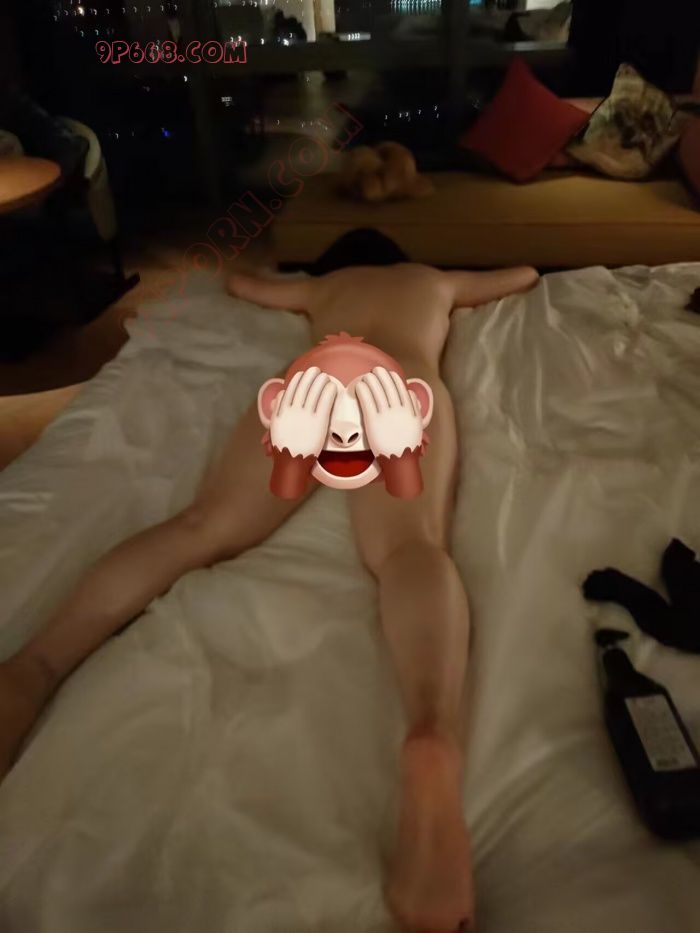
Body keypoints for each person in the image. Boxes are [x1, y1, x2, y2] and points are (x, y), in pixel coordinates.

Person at [0, 231, 538, 933]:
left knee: (199, 527)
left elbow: (243, 284)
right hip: (394, 376)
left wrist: (297, 287)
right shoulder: (431, 278)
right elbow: (522, 273)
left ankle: (32, 669)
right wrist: (451, 277)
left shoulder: (323, 287)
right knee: (409, 548)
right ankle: (431, 732)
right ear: (399, 258)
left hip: (318, 374)